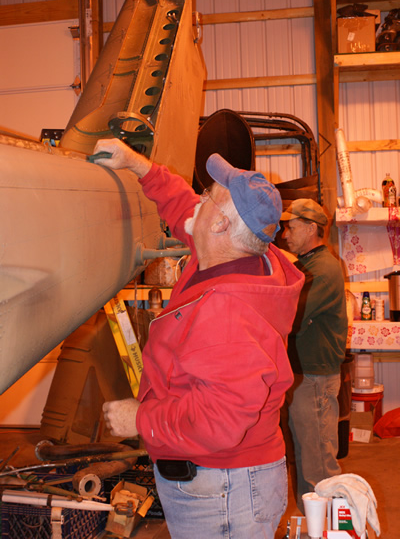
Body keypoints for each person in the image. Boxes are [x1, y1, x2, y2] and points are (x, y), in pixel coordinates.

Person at [93, 138, 304, 539]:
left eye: (208, 196)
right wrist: (137, 164)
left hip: (221, 489)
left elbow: (218, 420)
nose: (198, 200)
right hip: (222, 478)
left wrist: (138, 419)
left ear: (221, 225)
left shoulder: (228, 311)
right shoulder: (238, 255)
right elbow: (183, 208)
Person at [280, 198, 348, 511]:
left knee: (319, 463)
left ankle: (330, 527)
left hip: (315, 378)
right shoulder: (306, 265)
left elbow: (290, 316)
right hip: (304, 375)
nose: (284, 235)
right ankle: (312, 524)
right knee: (306, 457)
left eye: (291, 228)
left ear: (311, 228)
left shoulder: (322, 269)